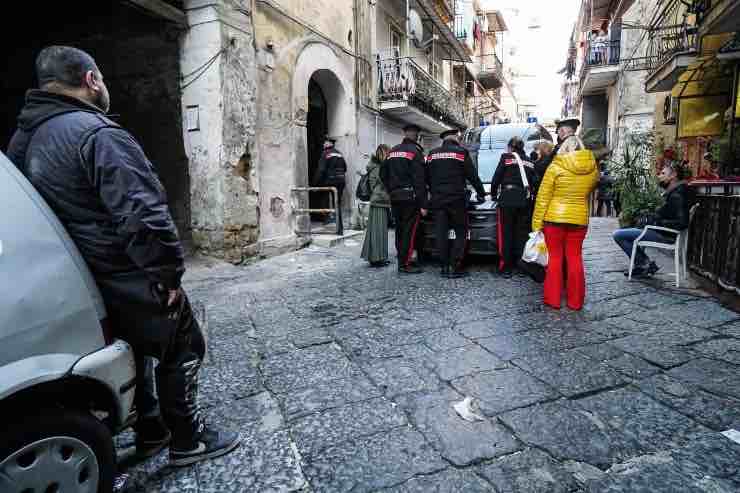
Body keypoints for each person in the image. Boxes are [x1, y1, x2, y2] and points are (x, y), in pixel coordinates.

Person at [7, 46, 239, 467]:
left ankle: (152, 430)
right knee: (183, 344)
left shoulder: (23, 139)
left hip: (79, 277)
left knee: (135, 345)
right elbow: (143, 214)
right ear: (91, 80)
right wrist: (167, 276)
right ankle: (187, 441)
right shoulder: (96, 134)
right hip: (122, 271)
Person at [531, 133, 598, 310]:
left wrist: (536, 225)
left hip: (555, 218)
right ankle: (575, 302)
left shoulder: (555, 166)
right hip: (579, 219)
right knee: (575, 258)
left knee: (555, 259)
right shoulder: (592, 169)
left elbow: (543, 198)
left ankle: (553, 299)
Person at [426, 129, 486, 278]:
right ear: (455, 138)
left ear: (444, 139)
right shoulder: (461, 152)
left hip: (438, 200)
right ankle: (455, 266)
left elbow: (425, 176)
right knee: (461, 232)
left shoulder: (432, 154)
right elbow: (472, 175)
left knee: (441, 233)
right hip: (456, 200)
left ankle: (444, 266)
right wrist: (481, 193)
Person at [613, 163, 690, 278]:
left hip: (665, 235)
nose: (659, 176)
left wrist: (656, 223)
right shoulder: (676, 192)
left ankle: (644, 264)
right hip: (662, 231)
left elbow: (682, 222)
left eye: (663, 173)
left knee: (618, 235)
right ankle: (644, 265)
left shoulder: (677, 195)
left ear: (673, 175)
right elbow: (667, 214)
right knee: (629, 229)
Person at [380, 123, 429, 274]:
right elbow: (419, 180)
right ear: (416, 136)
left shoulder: (392, 151)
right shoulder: (415, 152)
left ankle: (401, 259)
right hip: (410, 198)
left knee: (399, 230)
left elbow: (383, 174)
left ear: (405, 134)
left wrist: (391, 190)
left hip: (395, 197)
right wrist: (423, 204)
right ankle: (405, 263)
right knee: (409, 231)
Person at [491, 136, 537, 278]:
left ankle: (506, 267)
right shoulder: (530, 161)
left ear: (510, 147)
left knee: (506, 233)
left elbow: (497, 177)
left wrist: (493, 194)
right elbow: (534, 181)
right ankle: (522, 266)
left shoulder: (506, 157)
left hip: (508, 199)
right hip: (524, 199)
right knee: (522, 233)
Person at [361, 144, 392, 267]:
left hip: (379, 200)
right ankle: (378, 258)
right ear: (384, 153)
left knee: (377, 230)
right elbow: (377, 184)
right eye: (388, 153)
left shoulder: (375, 166)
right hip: (379, 200)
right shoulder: (378, 167)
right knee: (378, 230)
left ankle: (377, 257)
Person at [313, 136, 348, 235]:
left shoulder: (325, 153)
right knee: (338, 203)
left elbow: (321, 170)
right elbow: (345, 168)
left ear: (328, 144)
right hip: (341, 181)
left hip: (330, 181)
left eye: (325, 143)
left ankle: (326, 218)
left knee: (322, 196)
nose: (323, 145)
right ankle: (340, 228)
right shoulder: (339, 153)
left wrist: (315, 184)